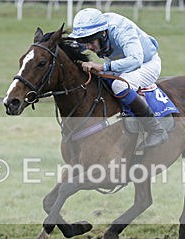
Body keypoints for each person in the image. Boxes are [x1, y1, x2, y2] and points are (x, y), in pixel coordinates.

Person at [68, 8, 168, 147]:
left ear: (102, 34)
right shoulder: (93, 32)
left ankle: (156, 130)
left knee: (119, 86)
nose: (88, 47)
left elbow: (135, 60)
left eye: (90, 42)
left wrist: (103, 67)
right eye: (84, 42)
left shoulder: (122, 29)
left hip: (146, 64)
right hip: (121, 65)